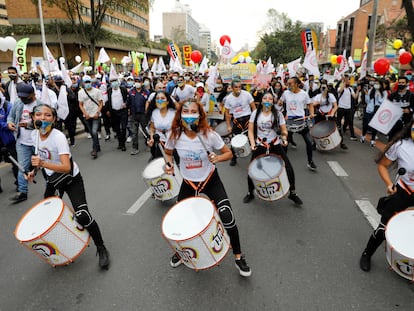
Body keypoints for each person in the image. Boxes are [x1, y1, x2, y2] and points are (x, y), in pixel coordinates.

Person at [163, 99, 252, 277]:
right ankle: (181, 253)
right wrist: (169, 164)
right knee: (181, 222)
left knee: (227, 215)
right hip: (189, 184)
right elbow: (168, 152)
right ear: (180, 115)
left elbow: (228, 153)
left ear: (200, 115)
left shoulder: (208, 135)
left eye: (193, 112)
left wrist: (218, 159)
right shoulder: (174, 135)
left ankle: (238, 256)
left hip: (210, 180)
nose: (189, 115)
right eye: (185, 112)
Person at [26, 104, 110, 269]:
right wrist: (33, 171)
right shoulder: (33, 135)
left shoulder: (58, 137)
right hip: (54, 181)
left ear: (54, 119)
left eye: (47, 115)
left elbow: (66, 167)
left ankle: (101, 247)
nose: (42, 118)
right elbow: (39, 157)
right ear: (33, 118)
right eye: (38, 115)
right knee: (50, 217)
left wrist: (42, 163)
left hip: (71, 179)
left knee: (83, 214)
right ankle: (65, 247)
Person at [359, 119, 414, 272]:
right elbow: (383, 165)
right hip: (403, 192)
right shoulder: (401, 146)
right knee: (384, 228)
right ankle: (367, 253)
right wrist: (389, 184)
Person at [243, 92, 303, 205]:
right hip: (260, 145)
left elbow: (284, 131)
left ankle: (292, 192)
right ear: (261, 101)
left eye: (270, 99)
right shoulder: (255, 113)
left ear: (273, 101)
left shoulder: (278, 114)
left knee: (288, 168)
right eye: (265, 98)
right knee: (251, 169)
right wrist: (252, 143)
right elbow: (250, 131)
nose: (267, 100)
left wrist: (284, 138)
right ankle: (250, 192)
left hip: (275, 144)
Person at [7, 84, 43, 203]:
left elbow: (45, 124)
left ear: (33, 94)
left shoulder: (40, 105)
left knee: (45, 165)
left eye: (25, 97)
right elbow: (11, 116)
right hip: (22, 142)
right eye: (21, 97)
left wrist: (28, 125)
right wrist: (10, 123)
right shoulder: (18, 103)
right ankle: (22, 191)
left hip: (38, 142)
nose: (23, 99)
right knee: (22, 167)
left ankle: (53, 188)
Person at [279, 77, 317, 171]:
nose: (288, 86)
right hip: (289, 121)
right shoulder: (286, 93)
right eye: (287, 84)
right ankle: (283, 162)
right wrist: (279, 103)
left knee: (308, 142)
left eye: (290, 84)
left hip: (301, 121)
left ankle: (310, 161)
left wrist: (311, 113)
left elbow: (310, 104)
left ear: (296, 84)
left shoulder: (304, 94)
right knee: (284, 143)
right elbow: (280, 102)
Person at [224, 79, 256, 166]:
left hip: (248, 119)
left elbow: (253, 107)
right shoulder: (229, 98)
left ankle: (255, 158)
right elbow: (227, 113)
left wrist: (254, 119)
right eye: (236, 87)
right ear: (232, 88)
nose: (238, 89)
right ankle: (234, 158)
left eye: (240, 87)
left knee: (253, 139)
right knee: (234, 141)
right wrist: (228, 126)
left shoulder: (247, 94)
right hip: (237, 120)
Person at [146, 90, 177, 161]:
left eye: (162, 98)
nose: (160, 100)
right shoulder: (154, 113)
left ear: (168, 101)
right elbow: (152, 128)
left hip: (173, 144)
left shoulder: (174, 113)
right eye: (157, 98)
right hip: (160, 143)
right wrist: (152, 138)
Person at [78, 75, 103, 159]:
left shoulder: (97, 91)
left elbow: (100, 103)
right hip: (87, 116)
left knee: (95, 131)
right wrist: (85, 113)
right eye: (86, 82)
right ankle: (97, 145)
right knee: (92, 133)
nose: (87, 84)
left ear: (91, 82)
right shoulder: (80, 92)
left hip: (96, 115)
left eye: (88, 82)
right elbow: (80, 104)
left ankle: (94, 150)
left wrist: (97, 112)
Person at [360, 79, 387, 147]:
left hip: (377, 111)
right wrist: (366, 94)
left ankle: (372, 140)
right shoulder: (371, 90)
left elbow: (383, 102)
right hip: (369, 110)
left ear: (381, 85)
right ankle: (363, 135)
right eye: (375, 83)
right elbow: (368, 101)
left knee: (374, 126)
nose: (376, 85)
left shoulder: (384, 92)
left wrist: (378, 96)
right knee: (366, 125)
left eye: (378, 83)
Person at [387, 76, 414, 141]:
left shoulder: (411, 95)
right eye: (399, 82)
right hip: (393, 123)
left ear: (406, 83)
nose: (401, 84)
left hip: (406, 124)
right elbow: (387, 106)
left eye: (403, 82)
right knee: (391, 142)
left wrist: (410, 110)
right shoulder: (392, 95)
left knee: (404, 143)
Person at [106, 77, 129, 152]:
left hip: (123, 111)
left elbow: (128, 98)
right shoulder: (109, 90)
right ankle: (120, 143)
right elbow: (108, 100)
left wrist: (126, 105)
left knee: (123, 127)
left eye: (115, 81)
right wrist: (108, 110)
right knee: (117, 129)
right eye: (112, 81)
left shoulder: (123, 89)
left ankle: (123, 144)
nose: (114, 83)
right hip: (114, 112)